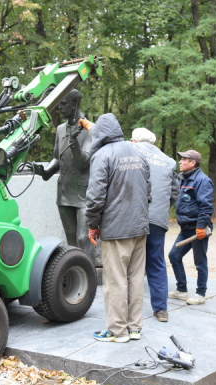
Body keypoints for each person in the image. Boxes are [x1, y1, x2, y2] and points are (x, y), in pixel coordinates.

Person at [86, 113, 151, 343]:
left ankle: (117, 330)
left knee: (115, 281)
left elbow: (95, 197)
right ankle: (134, 328)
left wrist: (92, 225)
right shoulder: (138, 152)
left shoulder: (102, 155)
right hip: (140, 227)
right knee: (135, 279)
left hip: (116, 229)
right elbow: (148, 190)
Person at [32, 89, 95, 262]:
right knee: (72, 240)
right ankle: (76, 271)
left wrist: (74, 142)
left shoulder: (90, 129)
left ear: (74, 104)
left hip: (83, 193)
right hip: (65, 191)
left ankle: (88, 270)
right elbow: (56, 158)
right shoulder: (60, 129)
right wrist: (45, 172)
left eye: (64, 103)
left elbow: (83, 163)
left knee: (84, 237)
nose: (59, 108)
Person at [131, 128, 179, 322]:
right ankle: (161, 310)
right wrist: (161, 209)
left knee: (131, 263)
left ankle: (129, 311)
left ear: (134, 140)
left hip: (133, 217)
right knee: (157, 263)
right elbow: (174, 191)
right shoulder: (168, 161)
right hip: (158, 219)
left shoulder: (130, 152)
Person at [168, 150, 214, 305]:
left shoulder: (202, 180)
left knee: (200, 262)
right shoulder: (182, 179)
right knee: (174, 255)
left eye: (183, 159)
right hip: (186, 228)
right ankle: (181, 290)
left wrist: (201, 227)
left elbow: (206, 206)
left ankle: (200, 294)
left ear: (193, 162)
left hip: (197, 229)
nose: (180, 162)